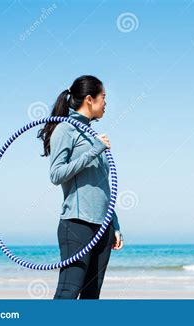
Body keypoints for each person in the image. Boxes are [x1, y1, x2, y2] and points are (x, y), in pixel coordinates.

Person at [37, 75, 124, 299]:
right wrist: (94, 150)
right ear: (89, 99)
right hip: (77, 224)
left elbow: (102, 185)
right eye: (103, 97)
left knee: (91, 296)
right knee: (68, 293)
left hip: (102, 227)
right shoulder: (66, 130)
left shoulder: (93, 134)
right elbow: (56, 175)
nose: (106, 103)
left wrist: (114, 223)